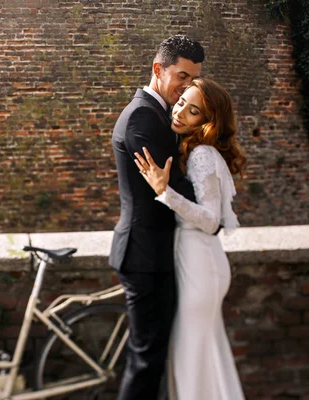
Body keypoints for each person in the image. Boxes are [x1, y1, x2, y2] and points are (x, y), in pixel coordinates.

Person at [134, 77, 246, 399]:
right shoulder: (193, 149)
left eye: (193, 111)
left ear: (208, 122)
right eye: (182, 102)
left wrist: (163, 192)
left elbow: (211, 221)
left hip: (200, 264)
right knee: (203, 355)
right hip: (199, 261)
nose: (180, 112)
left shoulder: (202, 155)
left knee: (189, 358)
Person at [109, 35, 204, 400]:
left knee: (151, 355)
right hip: (145, 254)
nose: (187, 85)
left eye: (192, 78)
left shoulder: (155, 114)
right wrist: (212, 189)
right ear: (157, 69)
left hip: (152, 251)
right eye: (182, 75)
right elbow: (175, 187)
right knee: (146, 359)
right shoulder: (142, 119)